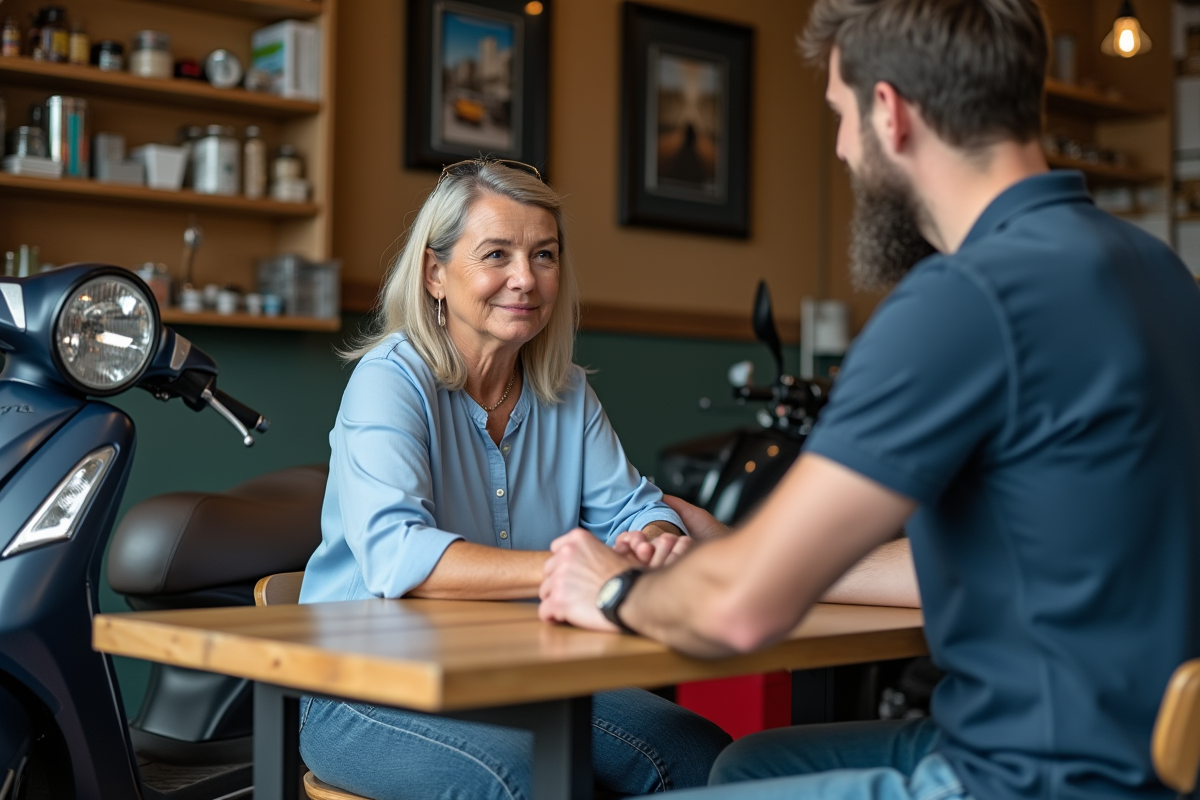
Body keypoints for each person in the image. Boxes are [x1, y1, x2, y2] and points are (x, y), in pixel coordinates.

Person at [538, 1, 1200, 799]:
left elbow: (740, 615)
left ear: (890, 112)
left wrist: (611, 590)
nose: (845, 149)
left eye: (841, 116)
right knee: (742, 765)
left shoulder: (964, 299)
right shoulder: (1158, 271)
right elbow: (969, 564)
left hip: (1030, 777)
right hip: (1152, 762)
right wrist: (739, 548)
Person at [296, 158, 733, 799]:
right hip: (365, 687)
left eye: (544, 255)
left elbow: (634, 508)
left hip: (518, 675)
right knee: (527, 785)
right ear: (435, 273)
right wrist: (576, 572)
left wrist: (657, 538)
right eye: (496, 254)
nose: (525, 279)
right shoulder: (389, 380)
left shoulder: (568, 393)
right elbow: (397, 556)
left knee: (701, 759)